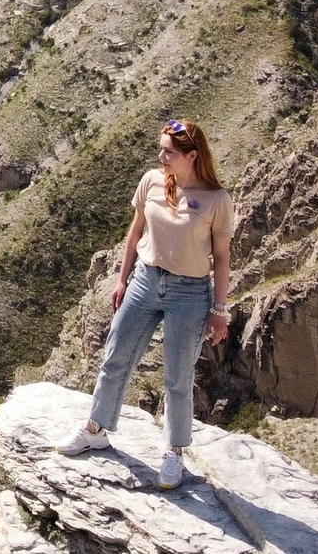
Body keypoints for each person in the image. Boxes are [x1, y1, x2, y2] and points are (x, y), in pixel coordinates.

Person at [56, 118, 235, 489]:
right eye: (161, 149)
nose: (161, 156)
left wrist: (220, 310)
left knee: (178, 376)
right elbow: (135, 230)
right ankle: (96, 429)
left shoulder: (217, 201)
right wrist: (122, 279)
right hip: (146, 280)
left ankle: (174, 452)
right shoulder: (152, 181)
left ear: (192, 156)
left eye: (169, 151)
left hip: (190, 292)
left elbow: (222, 257)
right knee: (116, 355)